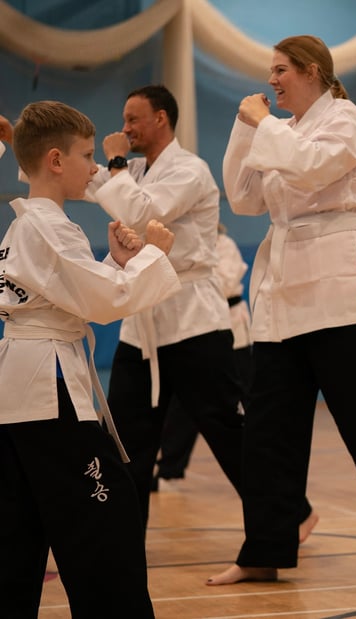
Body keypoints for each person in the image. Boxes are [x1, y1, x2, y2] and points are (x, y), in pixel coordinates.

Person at [207, 35, 356, 585]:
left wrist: (262, 127)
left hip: (339, 286)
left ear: (313, 71)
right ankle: (264, 548)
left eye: (282, 70)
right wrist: (247, 126)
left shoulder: (347, 120)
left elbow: (310, 170)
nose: (273, 80)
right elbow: (243, 198)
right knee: (268, 429)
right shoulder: (279, 131)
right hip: (283, 292)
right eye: (271, 72)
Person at [0, 103, 180, 618]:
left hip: (20, 386)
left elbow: (63, 295)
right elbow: (102, 303)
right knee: (104, 523)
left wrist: (116, 263)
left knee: (18, 531)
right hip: (47, 386)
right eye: (85, 155)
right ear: (55, 160)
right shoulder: (48, 227)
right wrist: (152, 254)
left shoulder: (26, 225)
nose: (93, 168)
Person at [82, 84, 247, 530]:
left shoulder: (190, 169)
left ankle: (285, 517)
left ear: (161, 118)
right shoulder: (132, 169)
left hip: (193, 317)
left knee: (226, 430)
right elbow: (77, 175)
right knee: (126, 438)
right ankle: (123, 537)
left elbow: (142, 215)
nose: (126, 128)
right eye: (124, 119)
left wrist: (115, 163)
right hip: (144, 323)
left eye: (133, 118)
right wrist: (17, 138)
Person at [153, 223, 251, 490]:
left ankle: (262, 461)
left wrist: (199, 279)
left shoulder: (224, 245)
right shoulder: (187, 249)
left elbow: (227, 283)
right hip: (198, 329)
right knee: (185, 406)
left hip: (233, 332)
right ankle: (171, 468)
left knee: (245, 404)